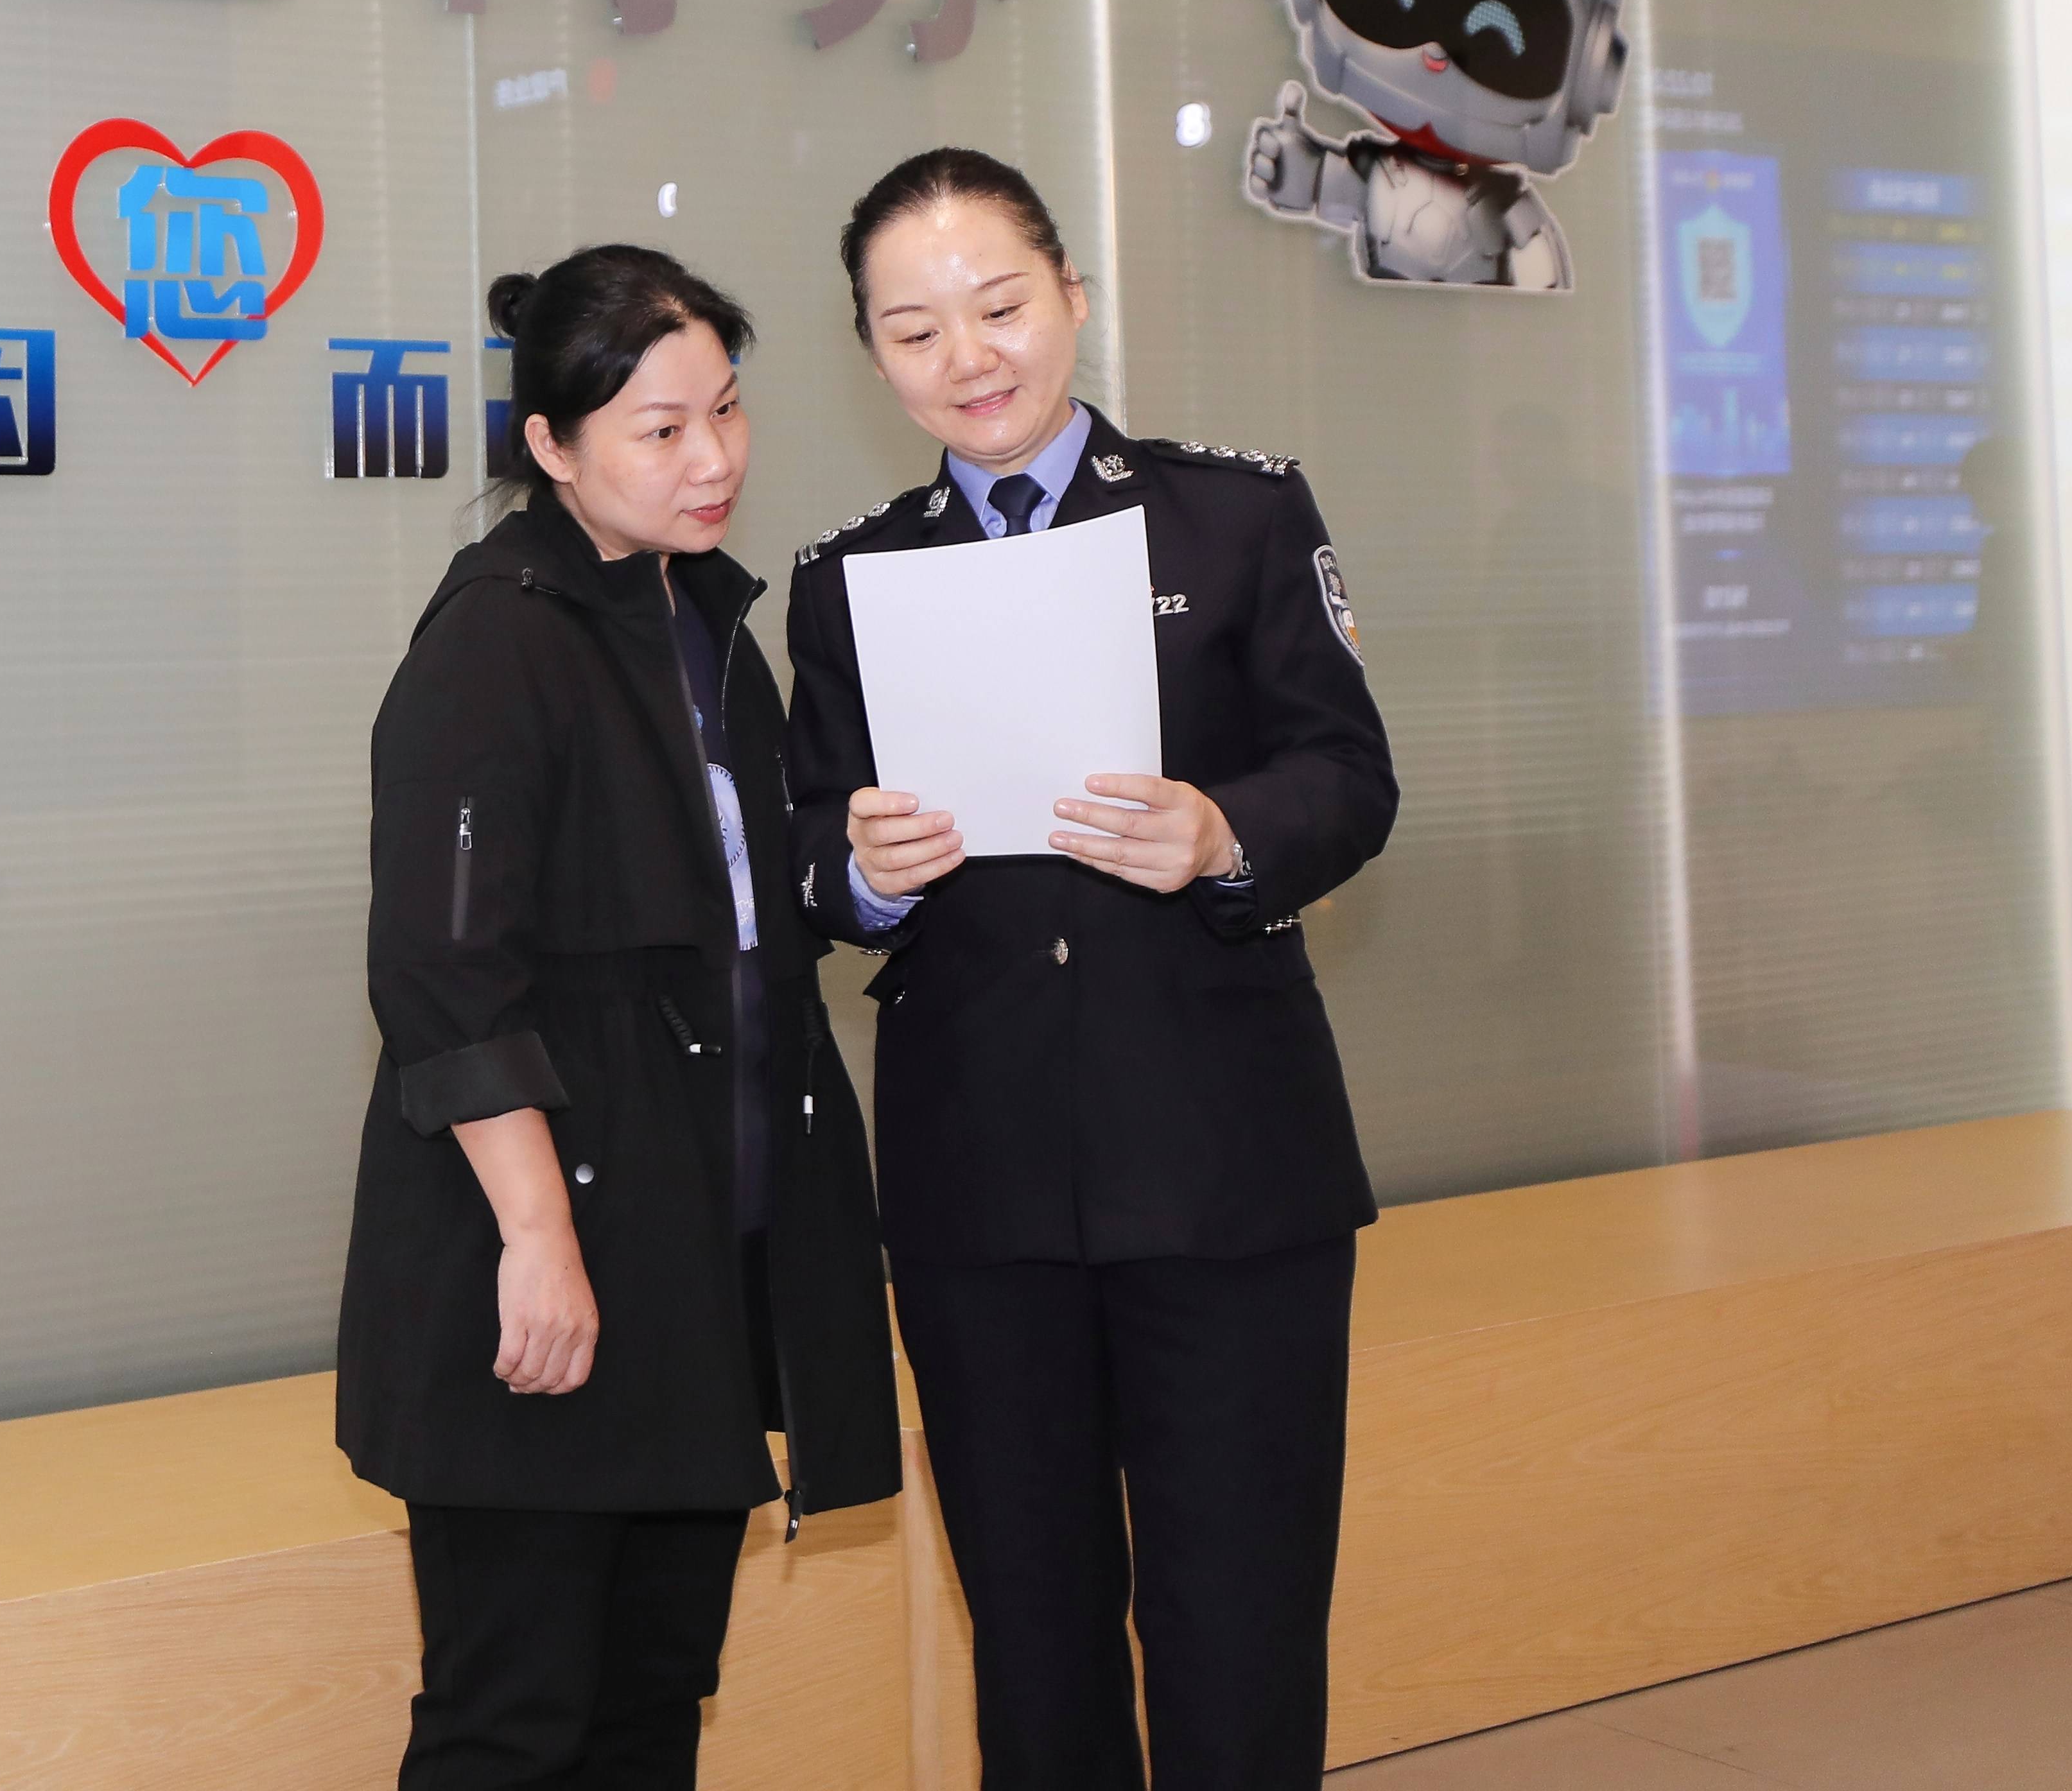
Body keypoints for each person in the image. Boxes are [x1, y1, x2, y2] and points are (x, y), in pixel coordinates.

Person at [785, 150, 1396, 1791]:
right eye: (915, 329)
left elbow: (1351, 777)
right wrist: (863, 870)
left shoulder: (1237, 512)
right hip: (981, 1184)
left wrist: (1223, 830)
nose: (969, 356)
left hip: (1227, 1164)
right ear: (872, 353)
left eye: (1000, 306)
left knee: (1240, 1621)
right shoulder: (848, 577)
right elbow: (805, 845)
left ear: (1071, 293)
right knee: (1035, 1634)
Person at [338, 245, 901, 1791]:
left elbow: (745, 921)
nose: (713, 457)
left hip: (690, 1253)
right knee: (514, 1719)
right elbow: (446, 972)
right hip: (543, 1259)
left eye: (726, 408)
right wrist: (538, 1234)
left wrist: (861, 863)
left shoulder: (703, 619)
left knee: (654, 1698)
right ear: (553, 444)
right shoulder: (496, 638)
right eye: (661, 428)